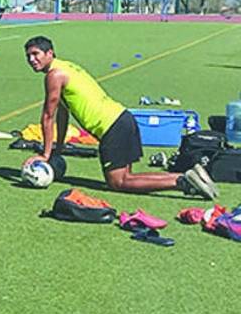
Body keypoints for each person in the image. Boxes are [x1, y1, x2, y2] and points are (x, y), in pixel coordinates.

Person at [22, 36, 217, 199]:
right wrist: (58, 149)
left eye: (36, 54)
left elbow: (48, 117)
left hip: (112, 127)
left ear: (50, 53)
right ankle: (187, 176)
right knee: (127, 176)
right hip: (123, 118)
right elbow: (62, 114)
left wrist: (45, 155)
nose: (31, 59)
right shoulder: (66, 67)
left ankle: (183, 183)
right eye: (28, 56)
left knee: (118, 182)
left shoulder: (54, 75)